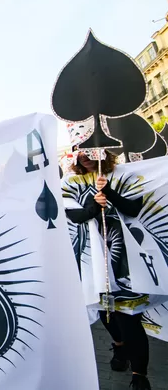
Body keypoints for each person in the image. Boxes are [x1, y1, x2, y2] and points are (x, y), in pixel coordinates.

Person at [64, 150, 150, 390]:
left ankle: (139, 375)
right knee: (106, 313)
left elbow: (134, 209)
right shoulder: (69, 183)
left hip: (125, 259)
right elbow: (75, 216)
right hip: (92, 260)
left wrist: (110, 192)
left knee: (130, 317)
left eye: (89, 151)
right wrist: (93, 206)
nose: (84, 157)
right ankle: (119, 346)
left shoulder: (126, 175)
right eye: (79, 153)